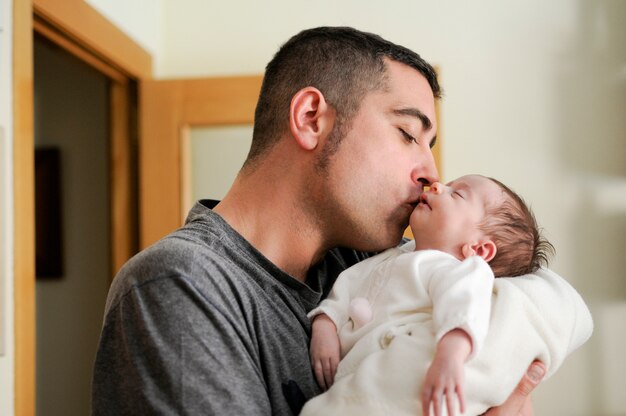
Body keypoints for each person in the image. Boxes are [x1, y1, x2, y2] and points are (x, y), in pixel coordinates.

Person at [91, 26, 583, 415]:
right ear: (311, 118)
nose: (431, 174)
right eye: (409, 134)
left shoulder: (367, 263)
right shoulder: (180, 286)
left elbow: (529, 289)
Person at [301, 175, 592, 416]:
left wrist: (451, 357)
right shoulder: (390, 256)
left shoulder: (459, 272)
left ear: (478, 250)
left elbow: (464, 307)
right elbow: (346, 287)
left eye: (457, 195)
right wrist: (325, 323)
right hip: (347, 376)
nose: (438, 186)